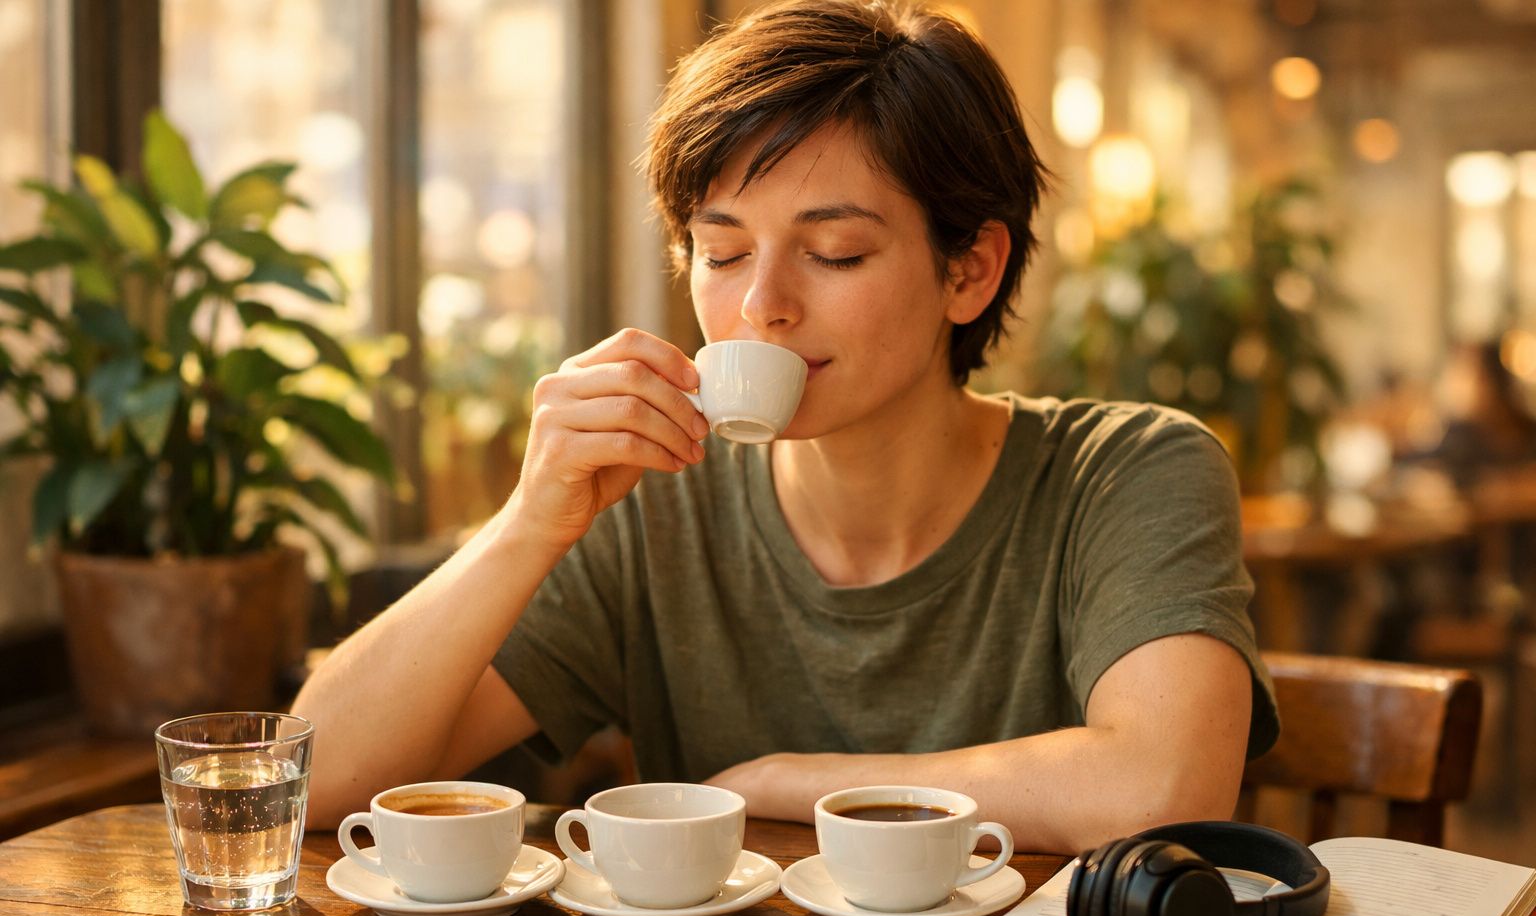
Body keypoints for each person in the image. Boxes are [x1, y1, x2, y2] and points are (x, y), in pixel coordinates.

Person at [294, 0, 1276, 854]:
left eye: (836, 253)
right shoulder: (656, 499)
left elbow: (1161, 790)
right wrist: (526, 525)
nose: (762, 302)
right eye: (721, 252)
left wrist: (785, 784)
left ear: (970, 269)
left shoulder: (1129, 471)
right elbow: (309, 784)